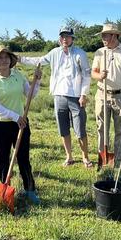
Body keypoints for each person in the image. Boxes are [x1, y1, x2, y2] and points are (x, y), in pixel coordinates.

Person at [19, 26, 92, 168]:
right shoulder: (54, 53)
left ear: (72, 38)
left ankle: (85, 157)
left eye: (68, 36)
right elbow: (39, 61)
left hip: (76, 96)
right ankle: (69, 156)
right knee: (63, 128)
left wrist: (84, 94)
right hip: (59, 95)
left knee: (80, 129)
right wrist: (20, 59)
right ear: (59, 38)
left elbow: (86, 76)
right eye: (63, 36)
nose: (65, 39)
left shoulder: (80, 54)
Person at [0, 45, 42, 204]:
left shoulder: (18, 75)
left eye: (6, 57)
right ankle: (5, 190)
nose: (3, 60)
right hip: (1, 125)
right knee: (3, 159)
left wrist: (37, 81)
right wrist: (16, 116)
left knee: (24, 158)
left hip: (21, 124)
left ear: (11, 60)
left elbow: (31, 94)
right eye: (0, 58)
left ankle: (30, 190)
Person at [91, 23, 121, 170]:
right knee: (101, 128)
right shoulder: (99, 52)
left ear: (115, 35)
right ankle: (103, 158)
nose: (103, 38)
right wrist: (100, 76)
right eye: (102, 36)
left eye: (106, 35)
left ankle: (118, 161)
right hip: (102, 94)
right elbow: (93, 73)